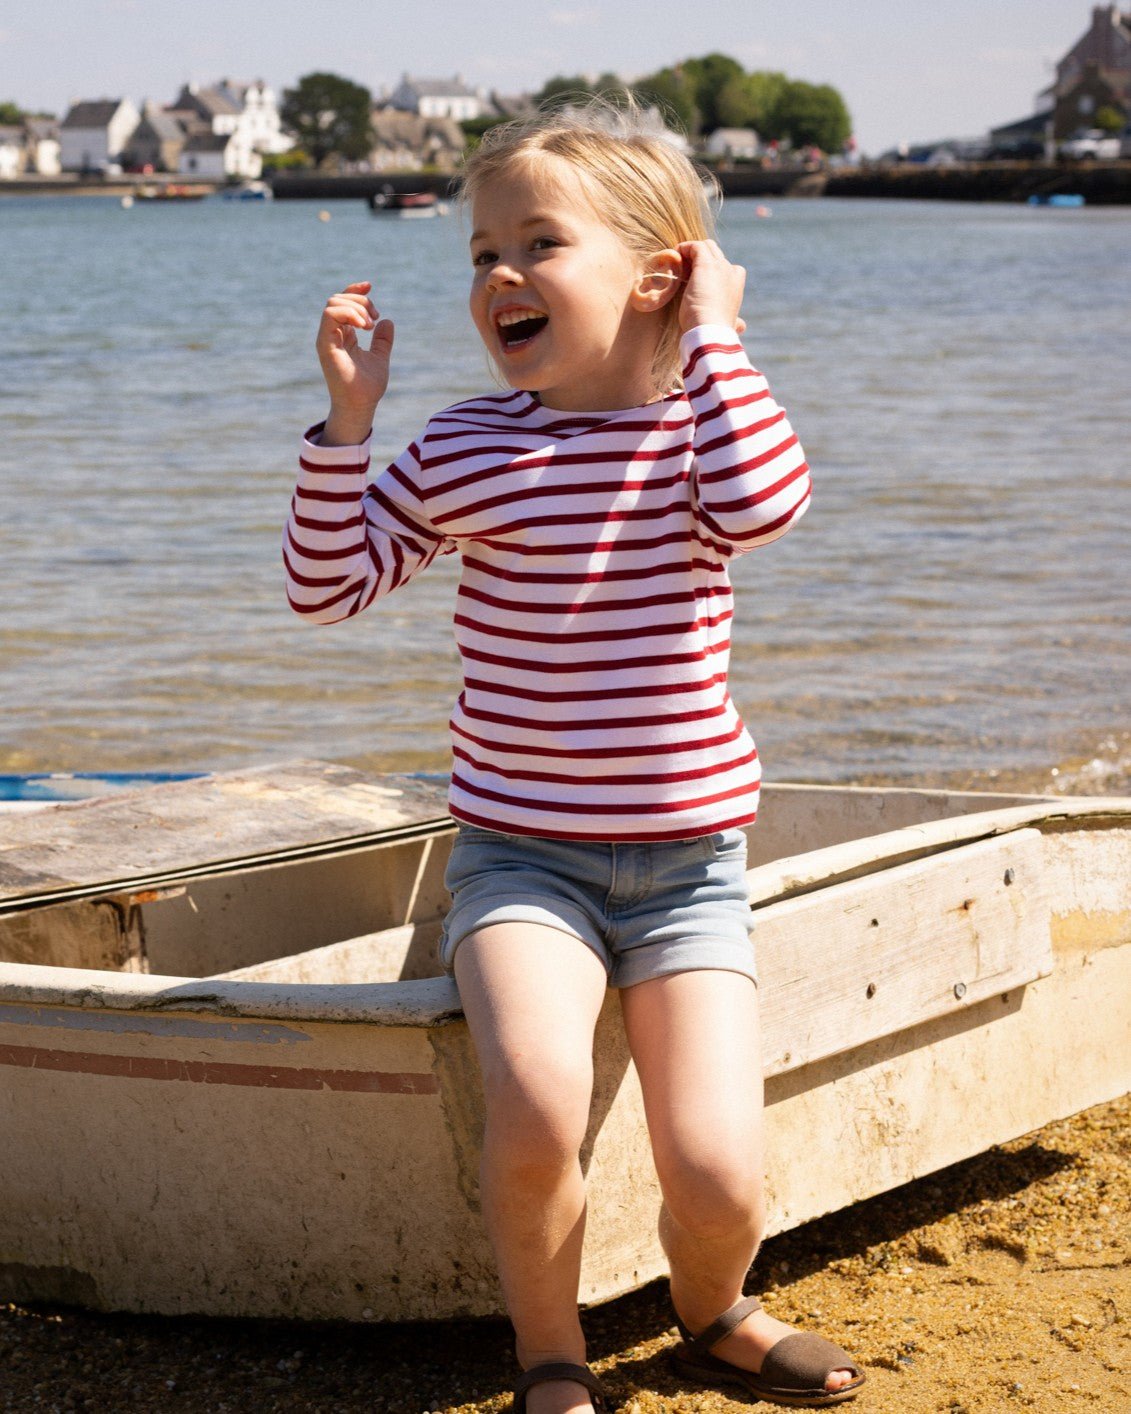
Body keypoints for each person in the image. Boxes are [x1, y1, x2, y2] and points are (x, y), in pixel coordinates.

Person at [284, 100, 864, 1413]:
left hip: (689, 872)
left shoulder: (701, 440)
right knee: (541, 1108)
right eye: (482, 254)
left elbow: (769, 504)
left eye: (538, 244)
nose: (499, 274)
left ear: (657, 275)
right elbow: (326, 587)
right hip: (519, 861)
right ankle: (552, 1356)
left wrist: (716, 335)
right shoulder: (469, 444)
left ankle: (717, 1312)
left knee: (717, 1171)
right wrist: (347, 425)